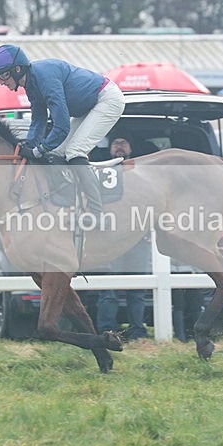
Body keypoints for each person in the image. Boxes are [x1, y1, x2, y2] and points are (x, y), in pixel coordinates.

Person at [0, 44, 125, 224]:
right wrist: (29, 144)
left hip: (107, 100)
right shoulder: (30, 83)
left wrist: (38, 151)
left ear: (17, 69)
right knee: (56, 153)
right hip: (89, 106)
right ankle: (71, 204)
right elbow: (39, 119)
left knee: (75, 152)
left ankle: (98, 214)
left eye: (4, 75)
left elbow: (61, 127)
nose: (2, 82)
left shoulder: (44, 78)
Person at [94, 135, 150, 341]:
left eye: (123, 143)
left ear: (131, 148)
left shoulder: (141, 176)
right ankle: (108, 332)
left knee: (137, 290)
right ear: (109, 150)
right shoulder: (99, 172)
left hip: (137, 240)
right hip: (110, 241)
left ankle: (138, 332)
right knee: (108, 291)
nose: (119, 147)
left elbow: (152, 203)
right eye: (115, 144)